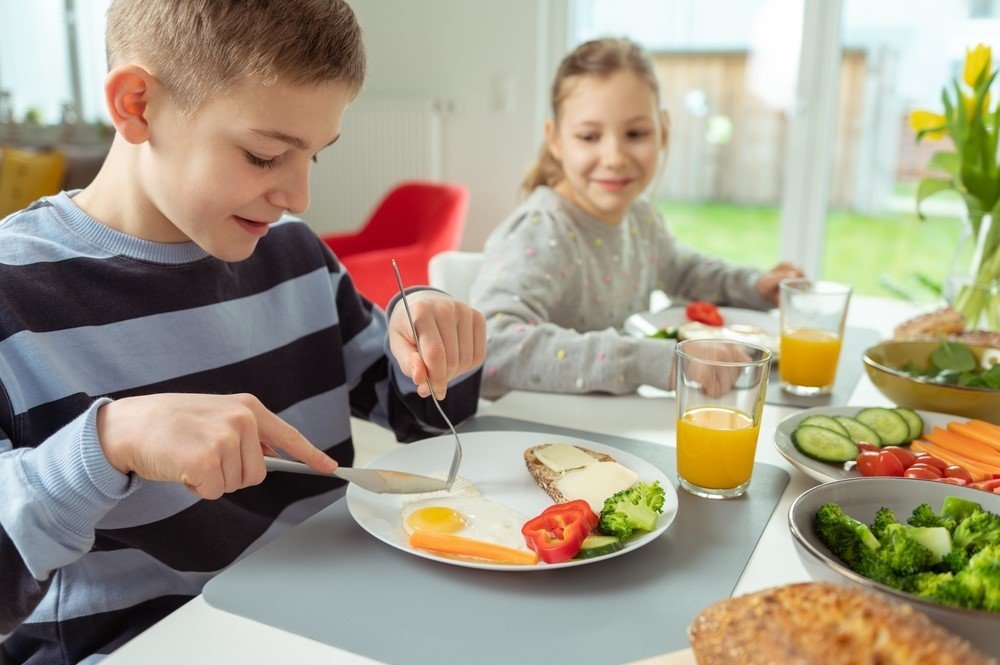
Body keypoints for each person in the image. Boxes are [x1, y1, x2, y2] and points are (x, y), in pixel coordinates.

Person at [0, 1, 485, 662]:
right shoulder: (12, 292)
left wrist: (432, 343)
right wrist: (109, 443)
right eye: (264, 156)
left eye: (314, 156)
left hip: (338, 619)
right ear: (137, 105)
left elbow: (420, 417)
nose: (299, 195)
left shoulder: (295, 255)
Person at [469, 38, 801, 399]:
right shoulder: (543, 229)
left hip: (614, 426)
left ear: (663, 132)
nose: (614, 157)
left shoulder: (640, 216)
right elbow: (493, 346)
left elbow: (684, 270)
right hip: (544, 436)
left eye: (636, 134)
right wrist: (658, 362)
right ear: (557, 141)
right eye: (589, 136)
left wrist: (754, 287)